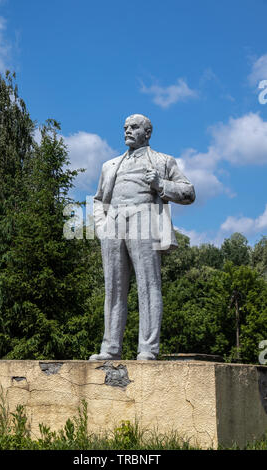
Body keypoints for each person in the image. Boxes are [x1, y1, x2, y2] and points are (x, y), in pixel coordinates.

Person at [89, 114, 195, 361]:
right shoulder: (109, 165)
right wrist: (101, 226)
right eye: (125, 127)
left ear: (147, 133)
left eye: (134, 127)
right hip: (113, 223)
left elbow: (189, 192)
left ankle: (148, 349)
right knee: (113, 289)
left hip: (145, 219)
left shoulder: (163, 161)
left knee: (148, 286)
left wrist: (161, 184)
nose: (127, 131)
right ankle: (111, 348)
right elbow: (97, 199)